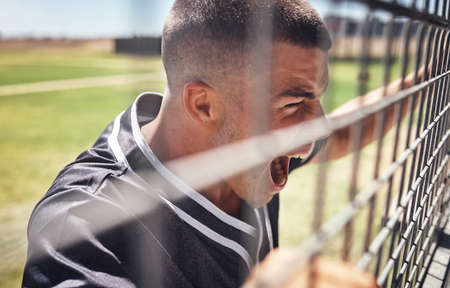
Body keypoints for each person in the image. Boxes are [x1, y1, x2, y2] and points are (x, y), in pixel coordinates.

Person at [22, 1, 423, 287]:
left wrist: (429, 78)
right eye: (295, 102)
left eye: (317, 98)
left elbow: (344, 130)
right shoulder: (80, 223)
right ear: (203, 104)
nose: (314, 129)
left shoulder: (248, 146)